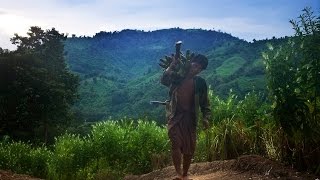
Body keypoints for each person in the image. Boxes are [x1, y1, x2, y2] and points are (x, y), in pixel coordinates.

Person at [161, 54, 211, 180]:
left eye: (200, 68)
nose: (196, 69)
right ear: (190, 64)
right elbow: (164, 80)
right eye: (195, 66)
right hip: (175, 116)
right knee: (175, 143)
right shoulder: (178, 76)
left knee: (189, 148)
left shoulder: (200, 83)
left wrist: (206, 118)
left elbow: (205, 104)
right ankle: (177, 173)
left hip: (191, 118)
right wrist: (171, 66)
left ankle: (185, 174)